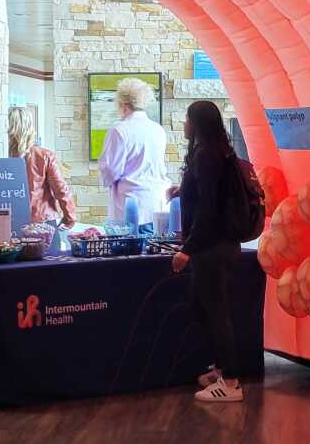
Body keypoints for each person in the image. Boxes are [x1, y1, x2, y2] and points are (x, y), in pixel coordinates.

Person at [172, 100, 262, 403]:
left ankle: (232, 382)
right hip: (218, 246)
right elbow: (209, 198)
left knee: (216, 313)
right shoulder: (217, 152)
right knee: (202, 307)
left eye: (187, 119)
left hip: (212, 248)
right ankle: (222, 369)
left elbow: (208, 210)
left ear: (196, 123)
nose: (184, 125)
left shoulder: (207, 156)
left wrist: (188, 249)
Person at [97, 77, 169, 224]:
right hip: (156, 204)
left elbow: (110, 171)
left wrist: (105, 178)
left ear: (122, 103)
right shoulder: (158, 129)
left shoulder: (119, 130)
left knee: (128, 247)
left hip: (129, 205)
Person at [7, 106, 77, 227]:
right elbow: (61, 191)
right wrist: (69, 219)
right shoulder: (45, 156)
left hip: (9, 224)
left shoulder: (0, 158)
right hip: (43, 223)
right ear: (29, 128)